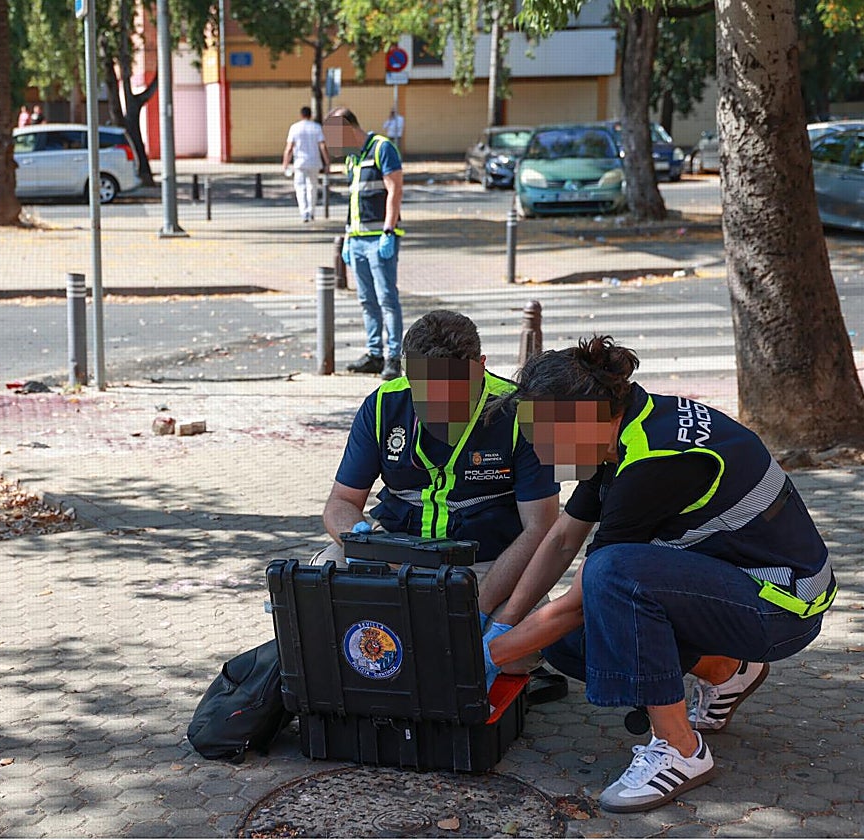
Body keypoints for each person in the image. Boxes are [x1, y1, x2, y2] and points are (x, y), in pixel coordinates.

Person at [485, 336, 834, 814]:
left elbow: (588, 593)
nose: (540, 450)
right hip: (739, 583)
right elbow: (564, 538)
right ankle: (726, 670)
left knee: (612, 574)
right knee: (567, 643)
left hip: (782, 607)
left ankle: (681, 750)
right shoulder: (623, 429)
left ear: (587, 419)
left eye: (546, 435)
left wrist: (484, 658)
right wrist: (501, 625)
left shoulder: (654, 461)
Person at [322, 310, 560, 615]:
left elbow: (540, 529)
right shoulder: (383, 404)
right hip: (393, 558)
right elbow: (341, 501)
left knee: (522, 633)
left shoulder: (521, 412)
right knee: (321, 584)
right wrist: (358, 541)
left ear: (480, 368)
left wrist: (479, 608)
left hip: (488, 566)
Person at [324, 107, 404, 381]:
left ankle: (394, 357)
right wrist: (347, 236)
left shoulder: (382, 148)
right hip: (357, 239)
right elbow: (353, 200)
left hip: (379, 238)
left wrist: (389, 230)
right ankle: (374, 353)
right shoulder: (352, 159)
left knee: (386, 298)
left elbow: (395, 189)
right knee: (366, 300)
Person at [281, 106, 330, 224]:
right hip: (314, 161)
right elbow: (322, 146)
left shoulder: (295, 128)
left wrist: (285, 163)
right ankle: (311, 211)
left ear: (301, 115)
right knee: (312, 187)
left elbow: (289, 147)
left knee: (300, 187)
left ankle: (304, 212)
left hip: (300, 162)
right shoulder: (316, 127)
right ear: (310, 115)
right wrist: (327, 162)